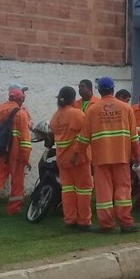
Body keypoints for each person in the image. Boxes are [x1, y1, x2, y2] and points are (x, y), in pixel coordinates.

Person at [72, 76, 140, 233]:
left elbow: (84, 137)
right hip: (121, 156)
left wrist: (77, 154)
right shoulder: (126, 108)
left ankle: (107, 225)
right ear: (113, 89)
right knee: (123, 189)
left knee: (104, 193)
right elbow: (134, 136)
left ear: (99, 90)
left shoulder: (92, 110)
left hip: (100, 157)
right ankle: (126, 223)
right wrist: (136, 155)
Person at [0, 85, 32, 214]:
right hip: (15, 154)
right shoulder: (21, 114)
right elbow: (25, 139)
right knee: (17, 181)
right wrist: (26, 158)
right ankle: (14, 208)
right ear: (21, 99)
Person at [50, 86, 93, 231]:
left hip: (62, 159)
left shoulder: (55, 117)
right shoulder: (77, 114)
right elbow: (87, 133)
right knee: (84, 190)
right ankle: (84, 221)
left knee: (67, 190)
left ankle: (70, 219)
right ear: (73, 99)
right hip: (78, 158)